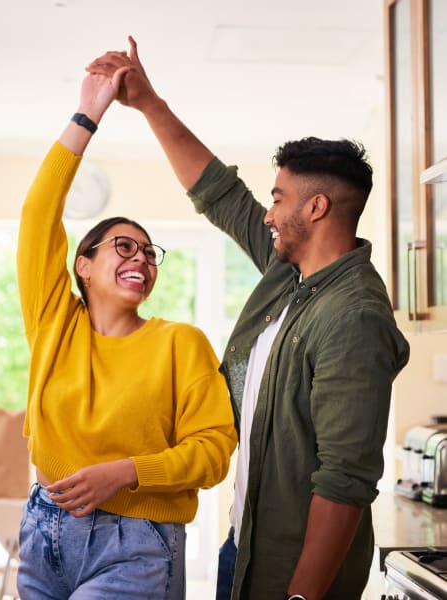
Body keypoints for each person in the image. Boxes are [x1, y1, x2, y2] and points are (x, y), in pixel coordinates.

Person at [86, 38, 410, 600]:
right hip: (246, 545)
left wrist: (302, 597)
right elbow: (220, 194)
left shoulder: (353, 317)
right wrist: (148, 102)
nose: (268, 212)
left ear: (315, 208)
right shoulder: (292, 273)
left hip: (293, 573)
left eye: (279, 198)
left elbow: (346, 482)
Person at [15, 56, 237, 600]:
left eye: (148, 251)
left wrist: (126, 472)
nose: (141, 257)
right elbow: (38, 216)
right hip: (43, 531)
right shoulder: (54, 326)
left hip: (136, 543)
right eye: (123, 245)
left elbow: (213, 449)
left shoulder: (179, 343)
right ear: (83, 266)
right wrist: (88, 114)